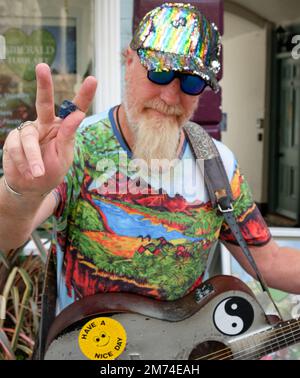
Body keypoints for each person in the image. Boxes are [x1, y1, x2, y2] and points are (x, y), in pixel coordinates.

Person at [0, 3, 300, 316]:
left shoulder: (216, 164)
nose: (170, 97)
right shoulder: (76, 146)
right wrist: (21, 191)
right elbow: (8, 234)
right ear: (128, 61)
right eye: (159, 72)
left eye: (191, 81)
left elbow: (270, 261)